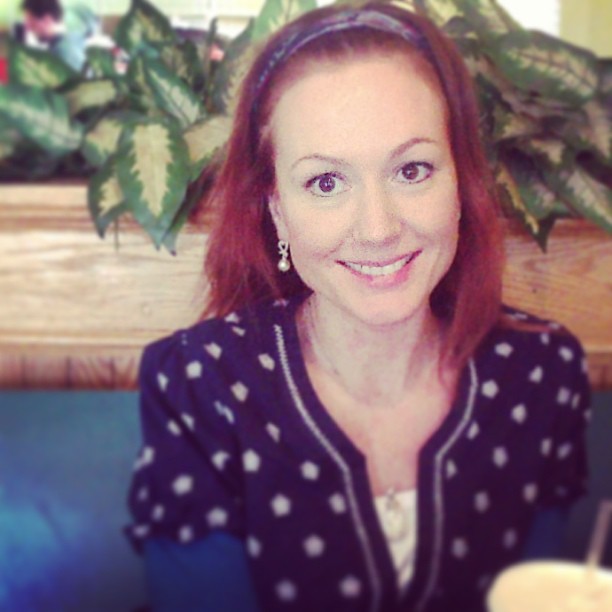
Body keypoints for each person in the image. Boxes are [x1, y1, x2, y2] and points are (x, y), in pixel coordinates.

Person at [126, 3, 591, 611]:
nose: (378, 229)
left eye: (412, 169)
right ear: (276, 209)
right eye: (325, 182)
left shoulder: (542, 374)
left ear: (460, 182)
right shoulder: (198, 386)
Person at [14, 0, 98, 71]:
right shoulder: (72, 36)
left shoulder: (64, 53)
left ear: (47, 19)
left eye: (31, 22)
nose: (28, 28)